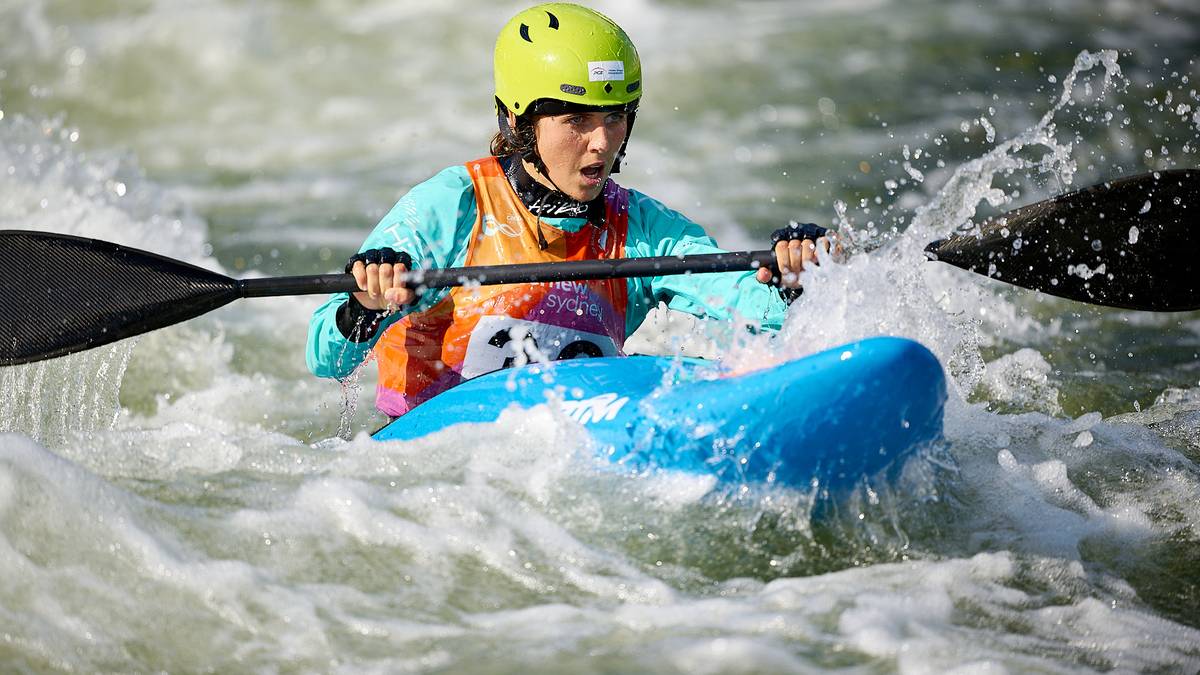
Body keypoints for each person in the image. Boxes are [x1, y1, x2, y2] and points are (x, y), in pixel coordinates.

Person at [306, 2, 834, 418]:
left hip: (570, 448)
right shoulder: (452, 206)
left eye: (615, 117)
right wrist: (367, 303)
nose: (602, 142)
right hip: (439, 456)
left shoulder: (645, 229)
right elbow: (325, 357)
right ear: (517, 121)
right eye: (576, 119)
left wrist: (793, 277)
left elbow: (762, 317)